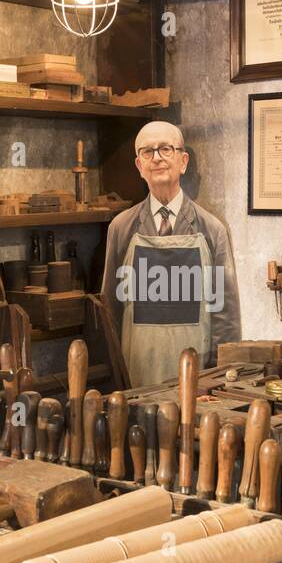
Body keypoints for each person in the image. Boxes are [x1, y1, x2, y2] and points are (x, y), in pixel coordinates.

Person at [100, 121, 241, 387]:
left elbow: (225, 315)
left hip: (197, 378)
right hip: (137, 376)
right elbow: (110, 310)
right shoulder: (120, 229)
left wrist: (220, 379)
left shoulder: (212, 230)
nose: (157, 158)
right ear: (139, 166)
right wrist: (116, 379)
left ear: (183, 161)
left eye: (166, 149)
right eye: (147, 152)